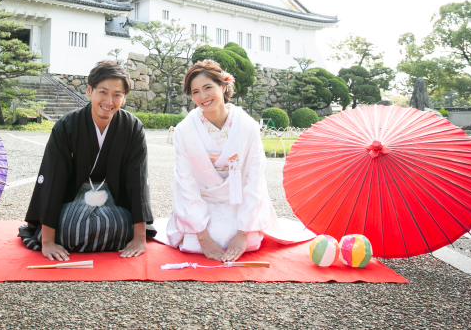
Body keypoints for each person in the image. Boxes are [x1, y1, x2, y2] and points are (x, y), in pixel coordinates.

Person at [19, 60, 153, 260]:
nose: (109, 101)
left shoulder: (132, 127)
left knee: (119, 227)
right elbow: (53, 179)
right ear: (89, 91)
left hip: (113, 193)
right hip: (74, 192)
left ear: (124, 98)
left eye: (117, 95)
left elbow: (138, 179)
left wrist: (139, 238)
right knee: (69, 231)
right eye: (103, 92)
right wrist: (47, 241)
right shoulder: (67, 125)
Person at [165, 60, 279, 262]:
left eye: (208, 87)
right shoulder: (185, 130)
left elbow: (255, 179)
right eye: (195, 92)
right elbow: (185, 182)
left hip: (239, 198)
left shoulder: (247, 126)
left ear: (223, 86)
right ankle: (198, 230)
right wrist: (202, 236)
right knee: (196, 241)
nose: (203, 97)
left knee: (249, 241)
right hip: (203, 200)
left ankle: (245, 229)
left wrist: (243, 232)